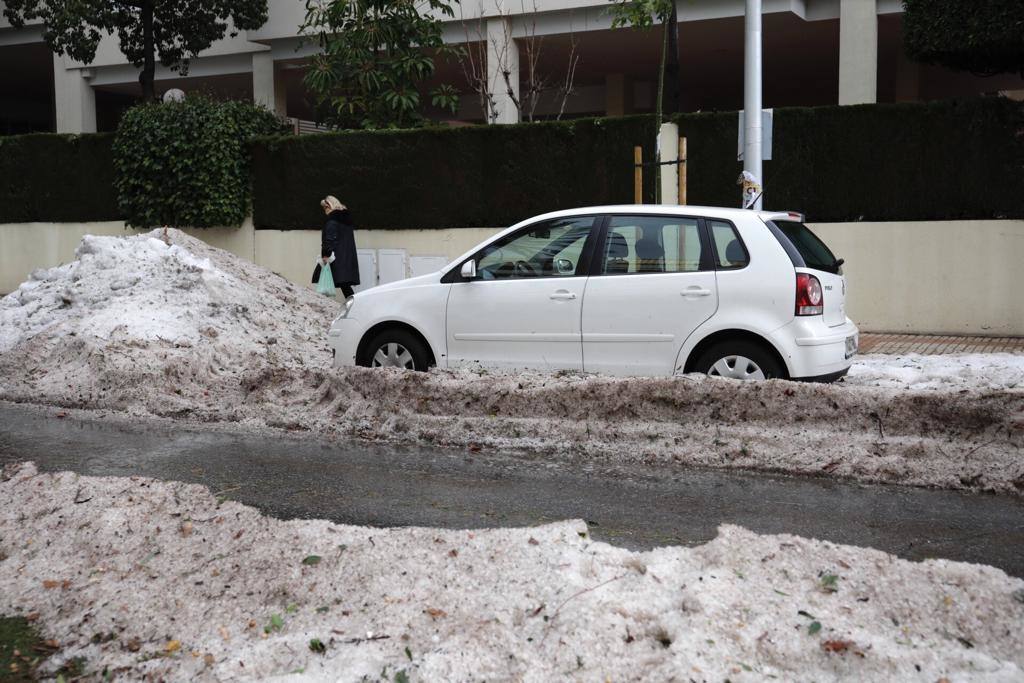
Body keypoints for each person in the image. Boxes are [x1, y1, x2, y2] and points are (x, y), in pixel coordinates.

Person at [313, 196, 360, 299]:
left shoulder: (332, 221)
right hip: (346, 257)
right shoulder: (346, 221)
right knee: (344, 285)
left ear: (330, 206)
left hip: (335, 257)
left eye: (326, 207)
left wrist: (326, 254)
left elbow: (329, 239)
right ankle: (355, 304)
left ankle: (323, 304)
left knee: (324, 280)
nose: (325, 210)